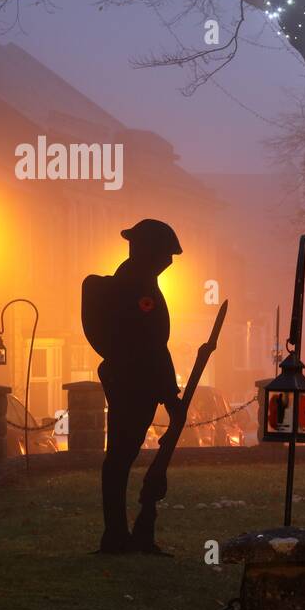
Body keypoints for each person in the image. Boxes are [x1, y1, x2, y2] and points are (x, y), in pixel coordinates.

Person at [81, 220, 183, 554]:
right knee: (120, 459)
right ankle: (116, 536)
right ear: (146, 251)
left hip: (140, 380)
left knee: (122, 457)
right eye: (165, 254)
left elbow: (156, 345)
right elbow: (151, 345)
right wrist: (169, 395)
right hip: (133, 382)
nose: (169, 261)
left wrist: (170, 393)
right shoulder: (136, 289)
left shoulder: (143, 284)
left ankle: (122, 535)